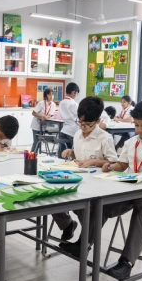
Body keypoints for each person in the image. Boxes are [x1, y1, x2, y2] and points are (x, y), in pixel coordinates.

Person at [61, 100, 142, 280]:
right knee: (101, 206)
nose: (140, 130)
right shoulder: (131, 142)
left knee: (141, 214)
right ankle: (82, 245)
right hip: (131, 186)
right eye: (136, 125)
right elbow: (123, 165)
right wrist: (111, 166)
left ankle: (126, 262)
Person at [53, 96, 118, 241]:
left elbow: (113, 163)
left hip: (96, 183)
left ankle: (85, 241)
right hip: (77, 178)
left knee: (86, 208)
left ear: (98, 121)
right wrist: (71, 153)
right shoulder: (77, 134)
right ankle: (68, 224)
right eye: (80, 122)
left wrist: (93, 161)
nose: (82, 126)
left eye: (87, 124)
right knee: (51, 197)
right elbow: (79, 155)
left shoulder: (105, 138)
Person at [30, 88, 56, 152]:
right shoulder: (41, 103)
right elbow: (33, 113)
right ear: (46, 95)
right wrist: (41, 116)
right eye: (49, 94)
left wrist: (48, 116)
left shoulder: (53, 104)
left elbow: (51, 114)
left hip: (44, 126)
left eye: (52, 94)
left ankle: (36, 155)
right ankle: (31, 156)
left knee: (40, 143)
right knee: (36, 142)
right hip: (36, 125)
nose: (52, 96)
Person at [58, 82, 80, 158]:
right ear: (74, 92)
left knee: (62, 154)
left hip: (64, 129)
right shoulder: (74, 104)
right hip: (72, 130)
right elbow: (79, 117)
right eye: (76, 93)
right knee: (72, 154)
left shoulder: (61, 102)